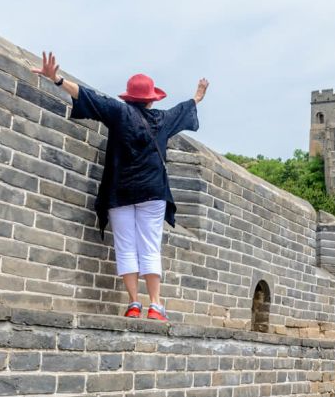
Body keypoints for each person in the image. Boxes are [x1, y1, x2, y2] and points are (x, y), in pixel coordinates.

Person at [32, 52, 209, 321]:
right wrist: (197, 96)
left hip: (121, 192)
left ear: (129, 97)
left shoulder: (119, 112)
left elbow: (87, 96)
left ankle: (134, 304)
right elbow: (183, 110)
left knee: (126, 247)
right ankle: (156, 306)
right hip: (152, 193)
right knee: (149, 247)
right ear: (151, 99)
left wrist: (56, 79)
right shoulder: (161, 120)